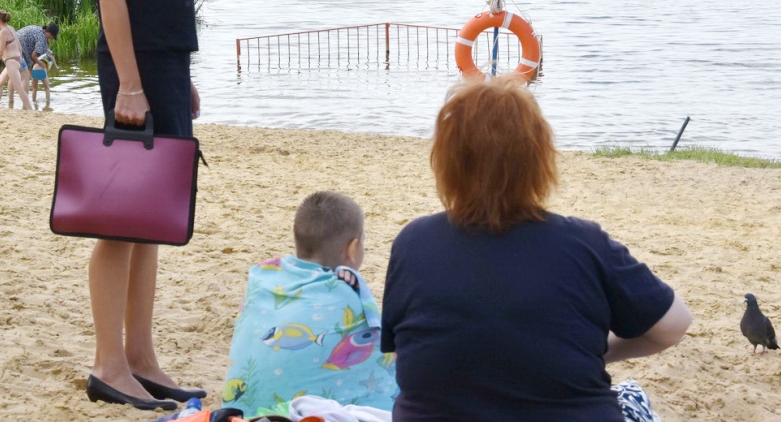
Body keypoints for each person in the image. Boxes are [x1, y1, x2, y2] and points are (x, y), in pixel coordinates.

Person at [381, 76, 692, 422]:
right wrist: (600, 351)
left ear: (448, 162)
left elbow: (409, 350)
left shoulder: (413, 243)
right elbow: (673, 326)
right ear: (538, 158)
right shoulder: (582, 244)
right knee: (634, 397)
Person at [81, 0, 203, 412]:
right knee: (120, 219)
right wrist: (130, 83)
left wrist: (175, 72)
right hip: (131, 68)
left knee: (153, 217)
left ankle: (142, 355)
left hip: (162, 63)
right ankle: (109, 362)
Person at [222, 191, 397, 416]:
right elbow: (384, 361)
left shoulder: (262, 278)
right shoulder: (349, 295)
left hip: (241, 416)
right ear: (352, 249)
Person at [0, 10, 32, 110]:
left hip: (11, 62)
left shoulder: (3, 33)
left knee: (18, 88)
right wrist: (20, 59)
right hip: (18, 59)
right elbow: (19, 45)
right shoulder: (10, 28)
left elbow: (0, 52)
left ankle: (30, 110)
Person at [16, 22, 58, 106]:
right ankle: (47, 103)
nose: (52, 39)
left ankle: (32, 102)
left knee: (34, 88)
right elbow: (33, 56)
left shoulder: (39, 30)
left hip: (15, 41)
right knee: (47, 88)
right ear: (50, 34)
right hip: (21, 48)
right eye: (53, 37)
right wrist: (52, 66)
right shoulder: (42, 41)